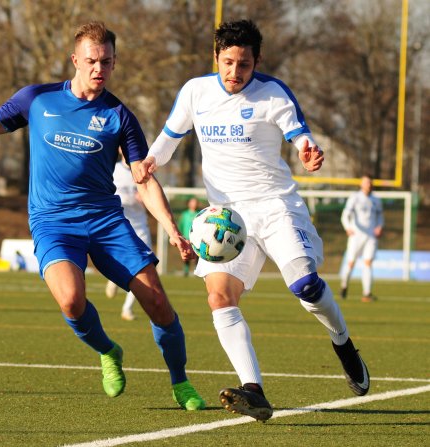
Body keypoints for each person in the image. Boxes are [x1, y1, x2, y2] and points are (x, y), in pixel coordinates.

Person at [0, 21, 204, 411]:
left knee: (157, 302)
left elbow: (143, 179)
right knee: (71, 300)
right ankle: (108, 350)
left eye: (106, 61)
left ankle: (180, 381)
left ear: (115, 62)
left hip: (105, 222)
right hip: (53, 222)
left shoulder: (121, 116)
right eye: (91, 60)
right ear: (74, 60)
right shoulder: (37, 99)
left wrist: (171, 228)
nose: (98, 68)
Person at [133, 19, 369, 421]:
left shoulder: (273, 93)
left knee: (306, 287)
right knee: (219, 296)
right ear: (216, 57)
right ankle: (253, 390)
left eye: (244, 64)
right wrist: (150, 160)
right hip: (228, 220)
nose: (234, 73)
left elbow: (300, 138)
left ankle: (343, 343)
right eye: (227, 63)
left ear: (257, 60)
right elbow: (168, 141)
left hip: (277, 207)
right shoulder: (195, 92)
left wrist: (308, 152)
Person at [104, 155, 153, 322]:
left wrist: (145, 201)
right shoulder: (113, 169)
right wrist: (129, 199)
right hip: (120, 226)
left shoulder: (144, 170)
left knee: (143, 270)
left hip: (141, 228)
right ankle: (114, 279)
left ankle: (127, 308)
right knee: (120, 265)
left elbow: (155, 198)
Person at [340, 175, 384, 302]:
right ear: (361, 184)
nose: (368, 185)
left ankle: (367, 293)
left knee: (368, 263)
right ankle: (344, 285)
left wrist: (379, 226)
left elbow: (380, 216)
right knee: (351, 262)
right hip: (356, 235)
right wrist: (347, 227)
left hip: (371, 236)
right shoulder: (355, 198)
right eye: (366, 183)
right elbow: (345, 215)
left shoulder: (376, 200)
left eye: (370, 182)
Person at [178, 197, 200, 276]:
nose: (194, 204)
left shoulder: (199, 213)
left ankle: (196, 270)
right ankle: (186, 270)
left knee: (197, 255)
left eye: (195, 202)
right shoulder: (185, 214)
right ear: (189, 203)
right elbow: (181, 225)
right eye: (192, 202)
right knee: (186, 254)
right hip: (186, 238)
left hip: (197, 238)